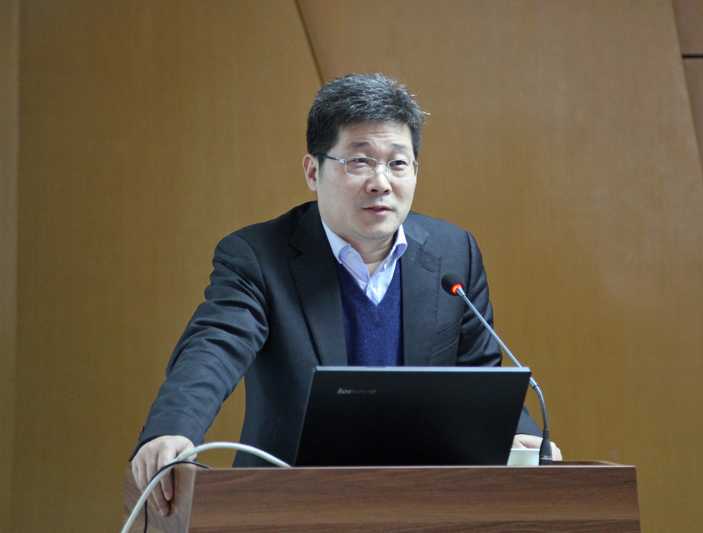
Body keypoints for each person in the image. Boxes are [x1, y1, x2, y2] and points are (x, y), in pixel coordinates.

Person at [131, 73, 561, 517]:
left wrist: (521, 435)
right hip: (287, 508)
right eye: (359, 162)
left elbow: (479, 374)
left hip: (423, 507)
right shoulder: (259, 256)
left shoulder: (454, 254)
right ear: (312, 171)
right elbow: (215, 346)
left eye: (398, 163)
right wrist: (173, 429)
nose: (381, 182)